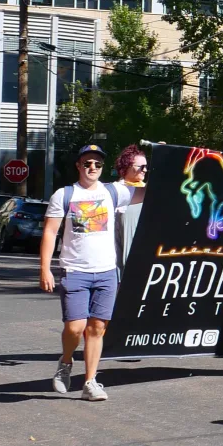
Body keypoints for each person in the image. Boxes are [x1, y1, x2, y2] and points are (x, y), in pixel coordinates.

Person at [41, 144, 132, 401]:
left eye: (97, 164)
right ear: (78, 166)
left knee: (97, 328)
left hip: (106, 272)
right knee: (75, 327)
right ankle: (66, 362)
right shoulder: (65, 194)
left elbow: (151, 192)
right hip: (75, 271)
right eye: (87, 163)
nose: (92, 168)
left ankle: (90, 382)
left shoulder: (115, 192)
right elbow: (50, 232)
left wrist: (159, 161)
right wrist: (45, 269)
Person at [112, 144, 147, 274]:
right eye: (140, 167)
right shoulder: (114, 190)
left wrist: (164, 156)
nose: (145, 170)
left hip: (145, 259)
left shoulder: (151, 190)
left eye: (146, 166)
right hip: (120, 261)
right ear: (126, 166)